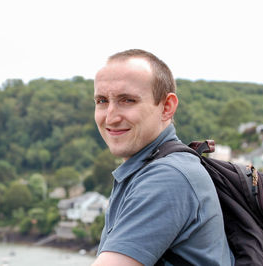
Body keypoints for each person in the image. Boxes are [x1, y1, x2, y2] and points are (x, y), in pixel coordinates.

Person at [91, 49, 233, 266]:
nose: (110, 116)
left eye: (127, 100)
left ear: (167, 107)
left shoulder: (168, 177)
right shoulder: (144, 171)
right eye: (102, 100)